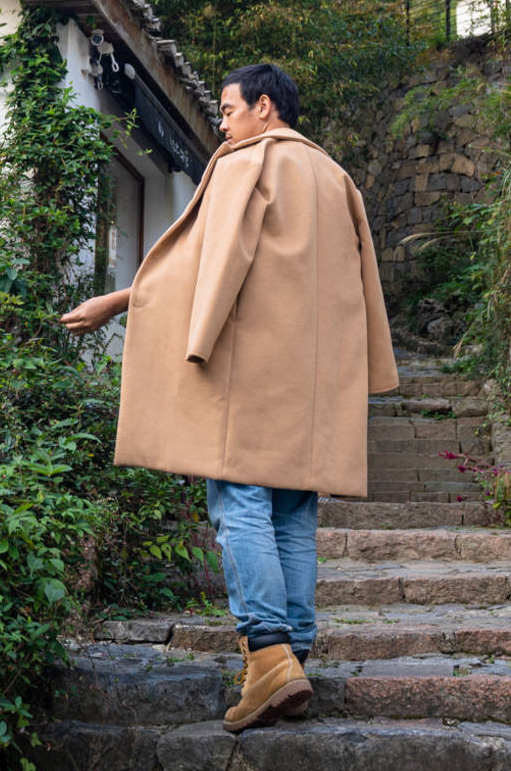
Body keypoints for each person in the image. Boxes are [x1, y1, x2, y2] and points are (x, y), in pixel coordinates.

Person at [61, 61, 397, 734]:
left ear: (264, 107)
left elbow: (205, 265)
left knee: (238, 496)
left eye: (228, 108)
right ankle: (293, 656)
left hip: (249, 371)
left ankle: (267, 653)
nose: (222, 122)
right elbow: (360, 287)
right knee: (294, 507)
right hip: (311, 382)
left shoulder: (248, 162)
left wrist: (120, 302)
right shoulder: (337, 179)